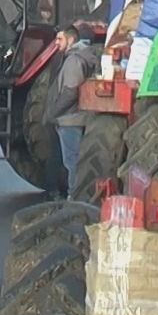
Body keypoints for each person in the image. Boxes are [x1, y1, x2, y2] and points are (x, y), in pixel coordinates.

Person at [43, 25, 99, 199]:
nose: (56, 43)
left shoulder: (74, 60)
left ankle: (73, 198)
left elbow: (70, 91)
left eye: (60, 39)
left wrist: (53, 113)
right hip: (72, 118)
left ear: (71, 39)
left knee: (72, 162)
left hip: (69, 120)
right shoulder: (78, 58)